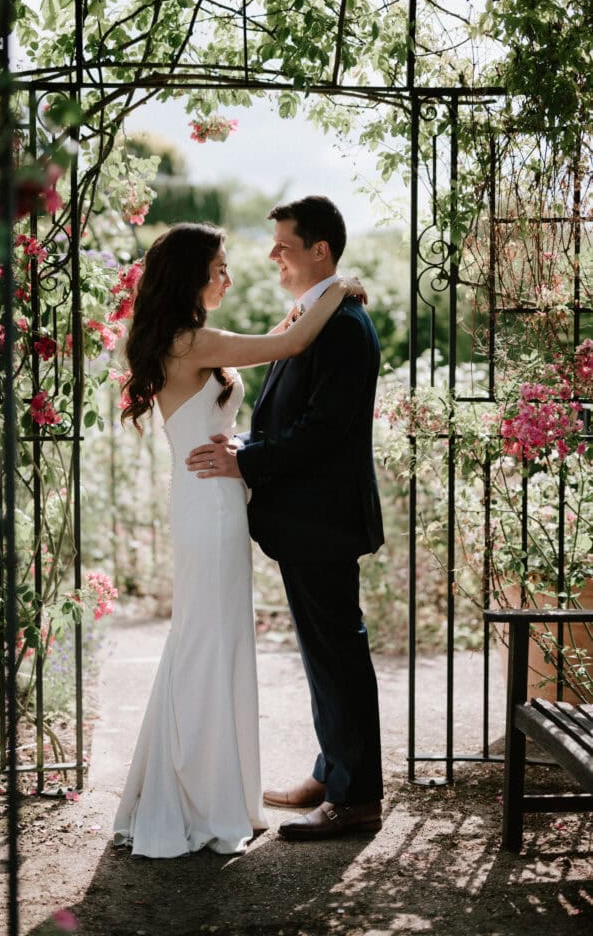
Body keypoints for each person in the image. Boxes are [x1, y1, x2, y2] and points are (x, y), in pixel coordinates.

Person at [112, 221, 366, 858]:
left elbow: (281, 340)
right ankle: (199, 798)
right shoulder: (193, 339)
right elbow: (297, 339)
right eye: (219, 268)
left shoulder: (189, 339)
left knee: (211, 638)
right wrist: (340, 289)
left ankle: (205, 789)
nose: (228, 277)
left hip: (214, 502)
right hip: (209, 508)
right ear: (193, 277)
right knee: (208, 639)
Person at [186, 196, 385, 841]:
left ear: (320, 250)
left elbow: (322, 432)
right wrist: (246, 445)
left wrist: (247, 460)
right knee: (324, 653)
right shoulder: (317, 314)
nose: (272, 255)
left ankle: (355, 799)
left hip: (322, 519)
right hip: (306, 520)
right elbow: (290, 415)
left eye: (285, 245)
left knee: (338, 654)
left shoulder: (344, 325)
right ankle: (332, 772)